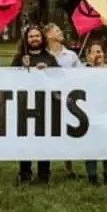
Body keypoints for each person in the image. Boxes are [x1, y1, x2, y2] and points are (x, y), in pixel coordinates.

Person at [11, 25, 58, 184]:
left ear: (42, 38)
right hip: (24, 104)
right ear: (26, 39)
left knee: (44, 138)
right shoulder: (19, 57)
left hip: (45, 104)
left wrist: (48, 70)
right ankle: (25, 172)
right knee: (26, 139)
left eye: (37, 36)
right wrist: (21, 68)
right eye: (31, 36)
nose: (34, 39)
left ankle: (44, 172)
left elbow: (61, 78)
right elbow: (8, 79)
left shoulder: (50, 58)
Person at [44, 23, 80, 179]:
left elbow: (81, 74)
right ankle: (46, 166)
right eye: (57, 30)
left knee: (68, 130)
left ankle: (69, 167)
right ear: (48, 36)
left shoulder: (70, 55)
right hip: (47, 98)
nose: (60, 32)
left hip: (68, 98)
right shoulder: (44, 55)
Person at [82, 43, 107, 185]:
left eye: (99, 51)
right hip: (89, 113)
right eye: (94, 52)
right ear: (88, 55)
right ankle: (92, 175)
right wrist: (89, 66)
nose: (97, 54)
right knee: (90, 145)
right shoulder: (82, 70)